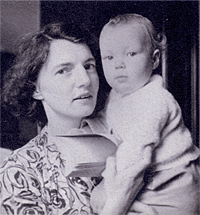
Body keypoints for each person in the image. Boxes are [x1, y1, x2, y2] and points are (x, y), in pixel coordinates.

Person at [0, 22, 152, 215]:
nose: (85, 80)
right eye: (64, 70)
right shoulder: (19, 170)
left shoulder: (129, 133)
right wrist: (119, 204)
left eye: (89, 66)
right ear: (35, 88)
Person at [90, 13, 200, 214]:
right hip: (149, 184)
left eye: (131, 54)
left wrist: (106, 185)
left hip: (174, 189)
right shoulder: (117, 95)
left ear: (155, 59)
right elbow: (106, 124)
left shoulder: (155, 99)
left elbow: (135, 149)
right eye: (109, 57)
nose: (118, 64)